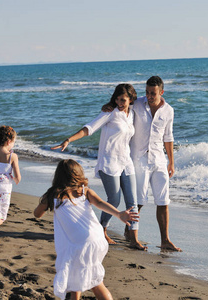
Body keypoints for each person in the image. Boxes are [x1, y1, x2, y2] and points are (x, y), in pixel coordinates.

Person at [52, 84, 146, 250]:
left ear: (130, 99)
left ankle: (133, 239)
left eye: (123, 99)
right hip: (109, 162)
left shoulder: (132, 113)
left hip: (126, 162)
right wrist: (69, 139)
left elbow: (148, 101)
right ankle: (102, 229)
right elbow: (90, 128)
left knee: (133, 201)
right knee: (115, 200)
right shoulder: (110, 112)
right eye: (117, 99)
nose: (119, 102)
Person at [33, 159, 139, 300]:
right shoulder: (84, 191)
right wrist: (119, 214)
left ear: (58, 176)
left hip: (79, 243)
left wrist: (46, 203)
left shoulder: (53, 194)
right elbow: (101, 203)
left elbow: (37, 214)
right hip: (97, 238)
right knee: (81, 277)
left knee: (92, 283)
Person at [103, 76, 181, 252]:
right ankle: (131, 232)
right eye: (147, 92)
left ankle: (165, 240)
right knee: (138, 200)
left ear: (161, 92)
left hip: (159, 160)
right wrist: (108, 106)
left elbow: (168, 138)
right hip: (138, 159)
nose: (149, 96)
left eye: (152, 93)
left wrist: (171, 162)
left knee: (163, 201)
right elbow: (120, 105)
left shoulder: (169, 111)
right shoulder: (137, 104)